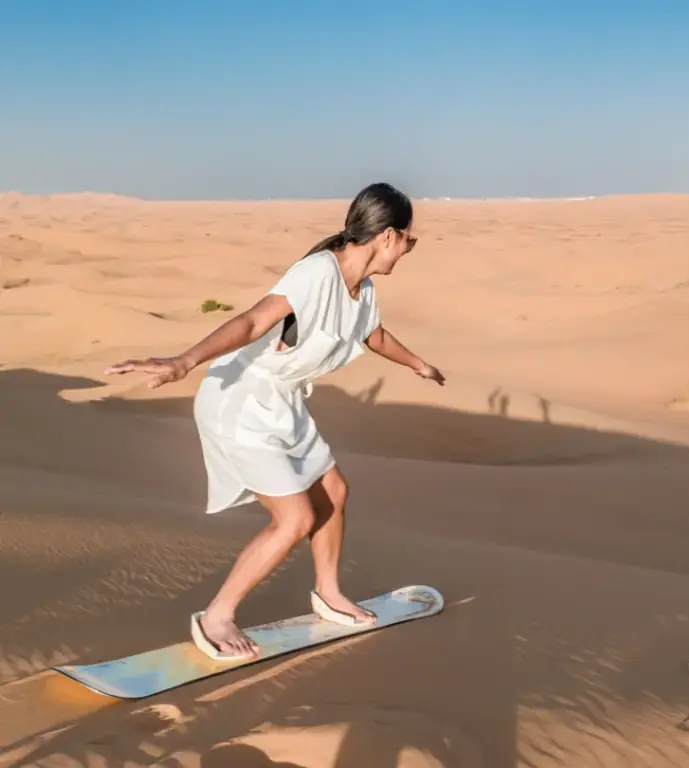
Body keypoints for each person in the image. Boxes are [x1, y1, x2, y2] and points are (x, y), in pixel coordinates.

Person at [105, 182, 444, 660]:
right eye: (410, 239)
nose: (410, 249)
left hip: (282, 402)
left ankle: (328, 592)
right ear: (387, 236)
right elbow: (250, 322)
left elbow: (374, 335)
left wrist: (417, 364)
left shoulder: (362, 289)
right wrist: (184, 361)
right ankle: (216, 616)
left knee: (335, 492)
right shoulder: (316, 274)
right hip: (241, 403)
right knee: (295, 519)